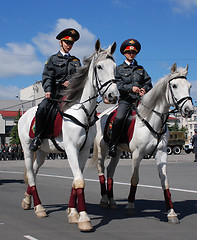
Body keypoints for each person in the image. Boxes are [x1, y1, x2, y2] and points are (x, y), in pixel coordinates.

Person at [29, 28, 81, 151]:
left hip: (71, 95)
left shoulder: (76, 61)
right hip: (55, 94)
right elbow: (47, 76)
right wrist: (48, 90)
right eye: (67, 42)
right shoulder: (53, 59)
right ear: (61, 42)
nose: (69, 45)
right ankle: (38, 137)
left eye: (71, 43)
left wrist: (72, 82)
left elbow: (80, 77)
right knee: (42, 108)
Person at [109, 39, 152, 157]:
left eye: (133, 52)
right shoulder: (119, 69)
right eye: (129, 52)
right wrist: (130, 88)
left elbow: (148, 82)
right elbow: (118, 84)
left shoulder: (140, 69)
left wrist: (144, 89)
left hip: (140, 100)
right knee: (119, 118)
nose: (131, 54)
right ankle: (113, 143)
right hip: (126, 100)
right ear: (124, 53)